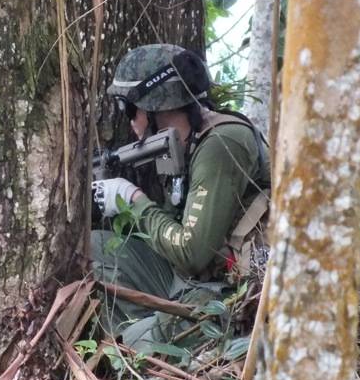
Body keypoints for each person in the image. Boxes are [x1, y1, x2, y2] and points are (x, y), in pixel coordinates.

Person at [90, 44, 271, 348]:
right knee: (95, 249)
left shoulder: (221, 143)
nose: (130, 120)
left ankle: (150, 348)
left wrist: (133, 200)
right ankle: (151, 334)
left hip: (233, 289)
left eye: (128, 107)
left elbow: (192, 251)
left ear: (151, 106)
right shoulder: (185, 144)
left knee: (139, 341)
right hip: (192, 281)